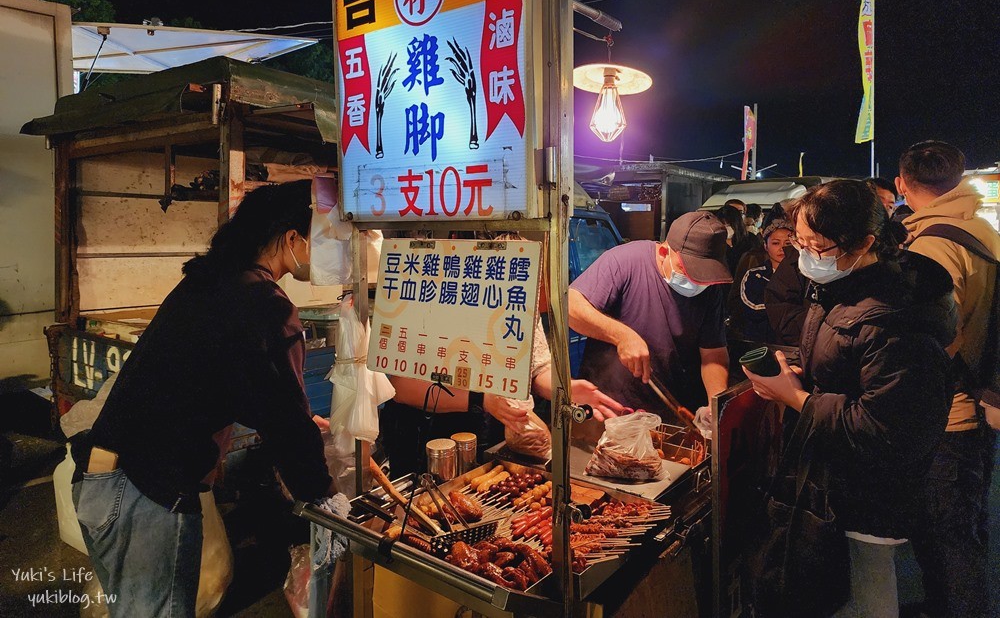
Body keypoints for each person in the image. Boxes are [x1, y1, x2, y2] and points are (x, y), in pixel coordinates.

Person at [71, 180, 336, 617]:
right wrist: (323, 497)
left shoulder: (211, 282)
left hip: (105, 480)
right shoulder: (264, 302)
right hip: (147, 493)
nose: (328, 253)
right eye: (323, 239)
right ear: (292, 238)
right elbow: (283, 417)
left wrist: (297, 421)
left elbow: (228, 380)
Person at [743, 179, 955, 618]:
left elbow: (888, 430)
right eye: (798, 243)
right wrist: (802, 372)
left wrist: (797, 399)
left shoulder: (897, 317)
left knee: (863, 597)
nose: (805, 257)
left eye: (816, 246)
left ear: (865, 243)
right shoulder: (843, 286)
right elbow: (845, 363)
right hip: (830, 483)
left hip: (867, 498)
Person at [896, 140, 1000, 618]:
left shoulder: (932, 246)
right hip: (983, 398)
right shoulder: (984, 229)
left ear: (901, 184)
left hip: (950, 412)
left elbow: (937, 338)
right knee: (968, 524)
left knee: (946, 533)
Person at [381, 317, 623, 475]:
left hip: (493, 436)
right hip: (427, 442)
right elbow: (401, 388)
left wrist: (565, 390)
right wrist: (481, 399)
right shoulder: (439, 298)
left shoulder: (520, 296)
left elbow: (537, 369)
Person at [568, 211, 731, 417]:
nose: (697, 281)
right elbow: (571, 306)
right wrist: (622, 336)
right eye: (687, 269)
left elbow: (713, 354)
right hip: (612, 406)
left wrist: (715, 404)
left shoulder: (710, 287)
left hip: (674, 408)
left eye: (703, 274)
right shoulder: (625, 260)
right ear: (664, 253)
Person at [728, 220, 794, 343]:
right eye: (775, 243)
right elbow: (753, 307)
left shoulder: (805, 275)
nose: (782, 248)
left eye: (788, 243)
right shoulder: (755, 275)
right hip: (760, 342)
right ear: (765, 246)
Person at [717, 203, 756, 275]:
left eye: (729, 225)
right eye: (722, 225)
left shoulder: (750, 240)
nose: (726, 228)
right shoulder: (714, 243)